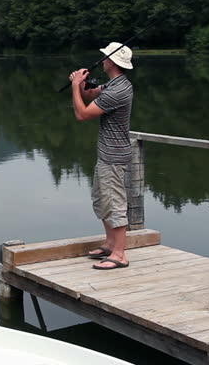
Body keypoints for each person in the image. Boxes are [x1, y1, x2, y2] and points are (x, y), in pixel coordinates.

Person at [68, 42, 134, 270]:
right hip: (107, 154)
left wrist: (75, 87)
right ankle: (109, 244)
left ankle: (119, 255)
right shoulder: (114, 84)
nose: (103, 60)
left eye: (106, 57)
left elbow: (83, 114)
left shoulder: (119, 90)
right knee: (101, 199)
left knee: (115, 203)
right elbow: (92, 94)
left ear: (113, 62)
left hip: (114, 156)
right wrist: (83, 84)